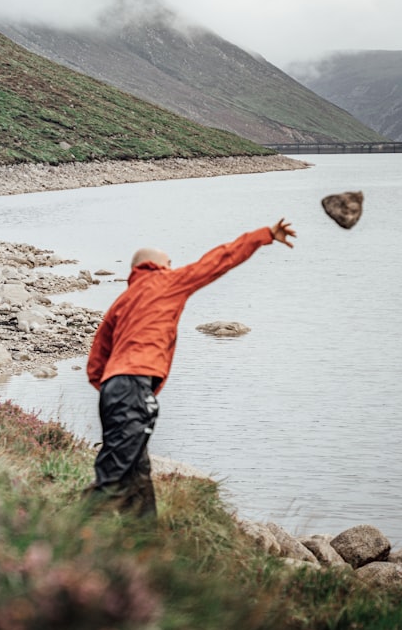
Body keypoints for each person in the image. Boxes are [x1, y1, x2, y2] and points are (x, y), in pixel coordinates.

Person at [85, 218, 296, 519]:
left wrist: (115, 386)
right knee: (113, 477)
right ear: (158, 266)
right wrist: (265, 235)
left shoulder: (121, 302)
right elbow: (218, 260)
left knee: (138, 478)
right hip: (132, 389)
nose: (172, 267)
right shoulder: (167, 282)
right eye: (169, 263)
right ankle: (65, 541)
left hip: (113, 390)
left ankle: (144, 551)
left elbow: (96, 364)